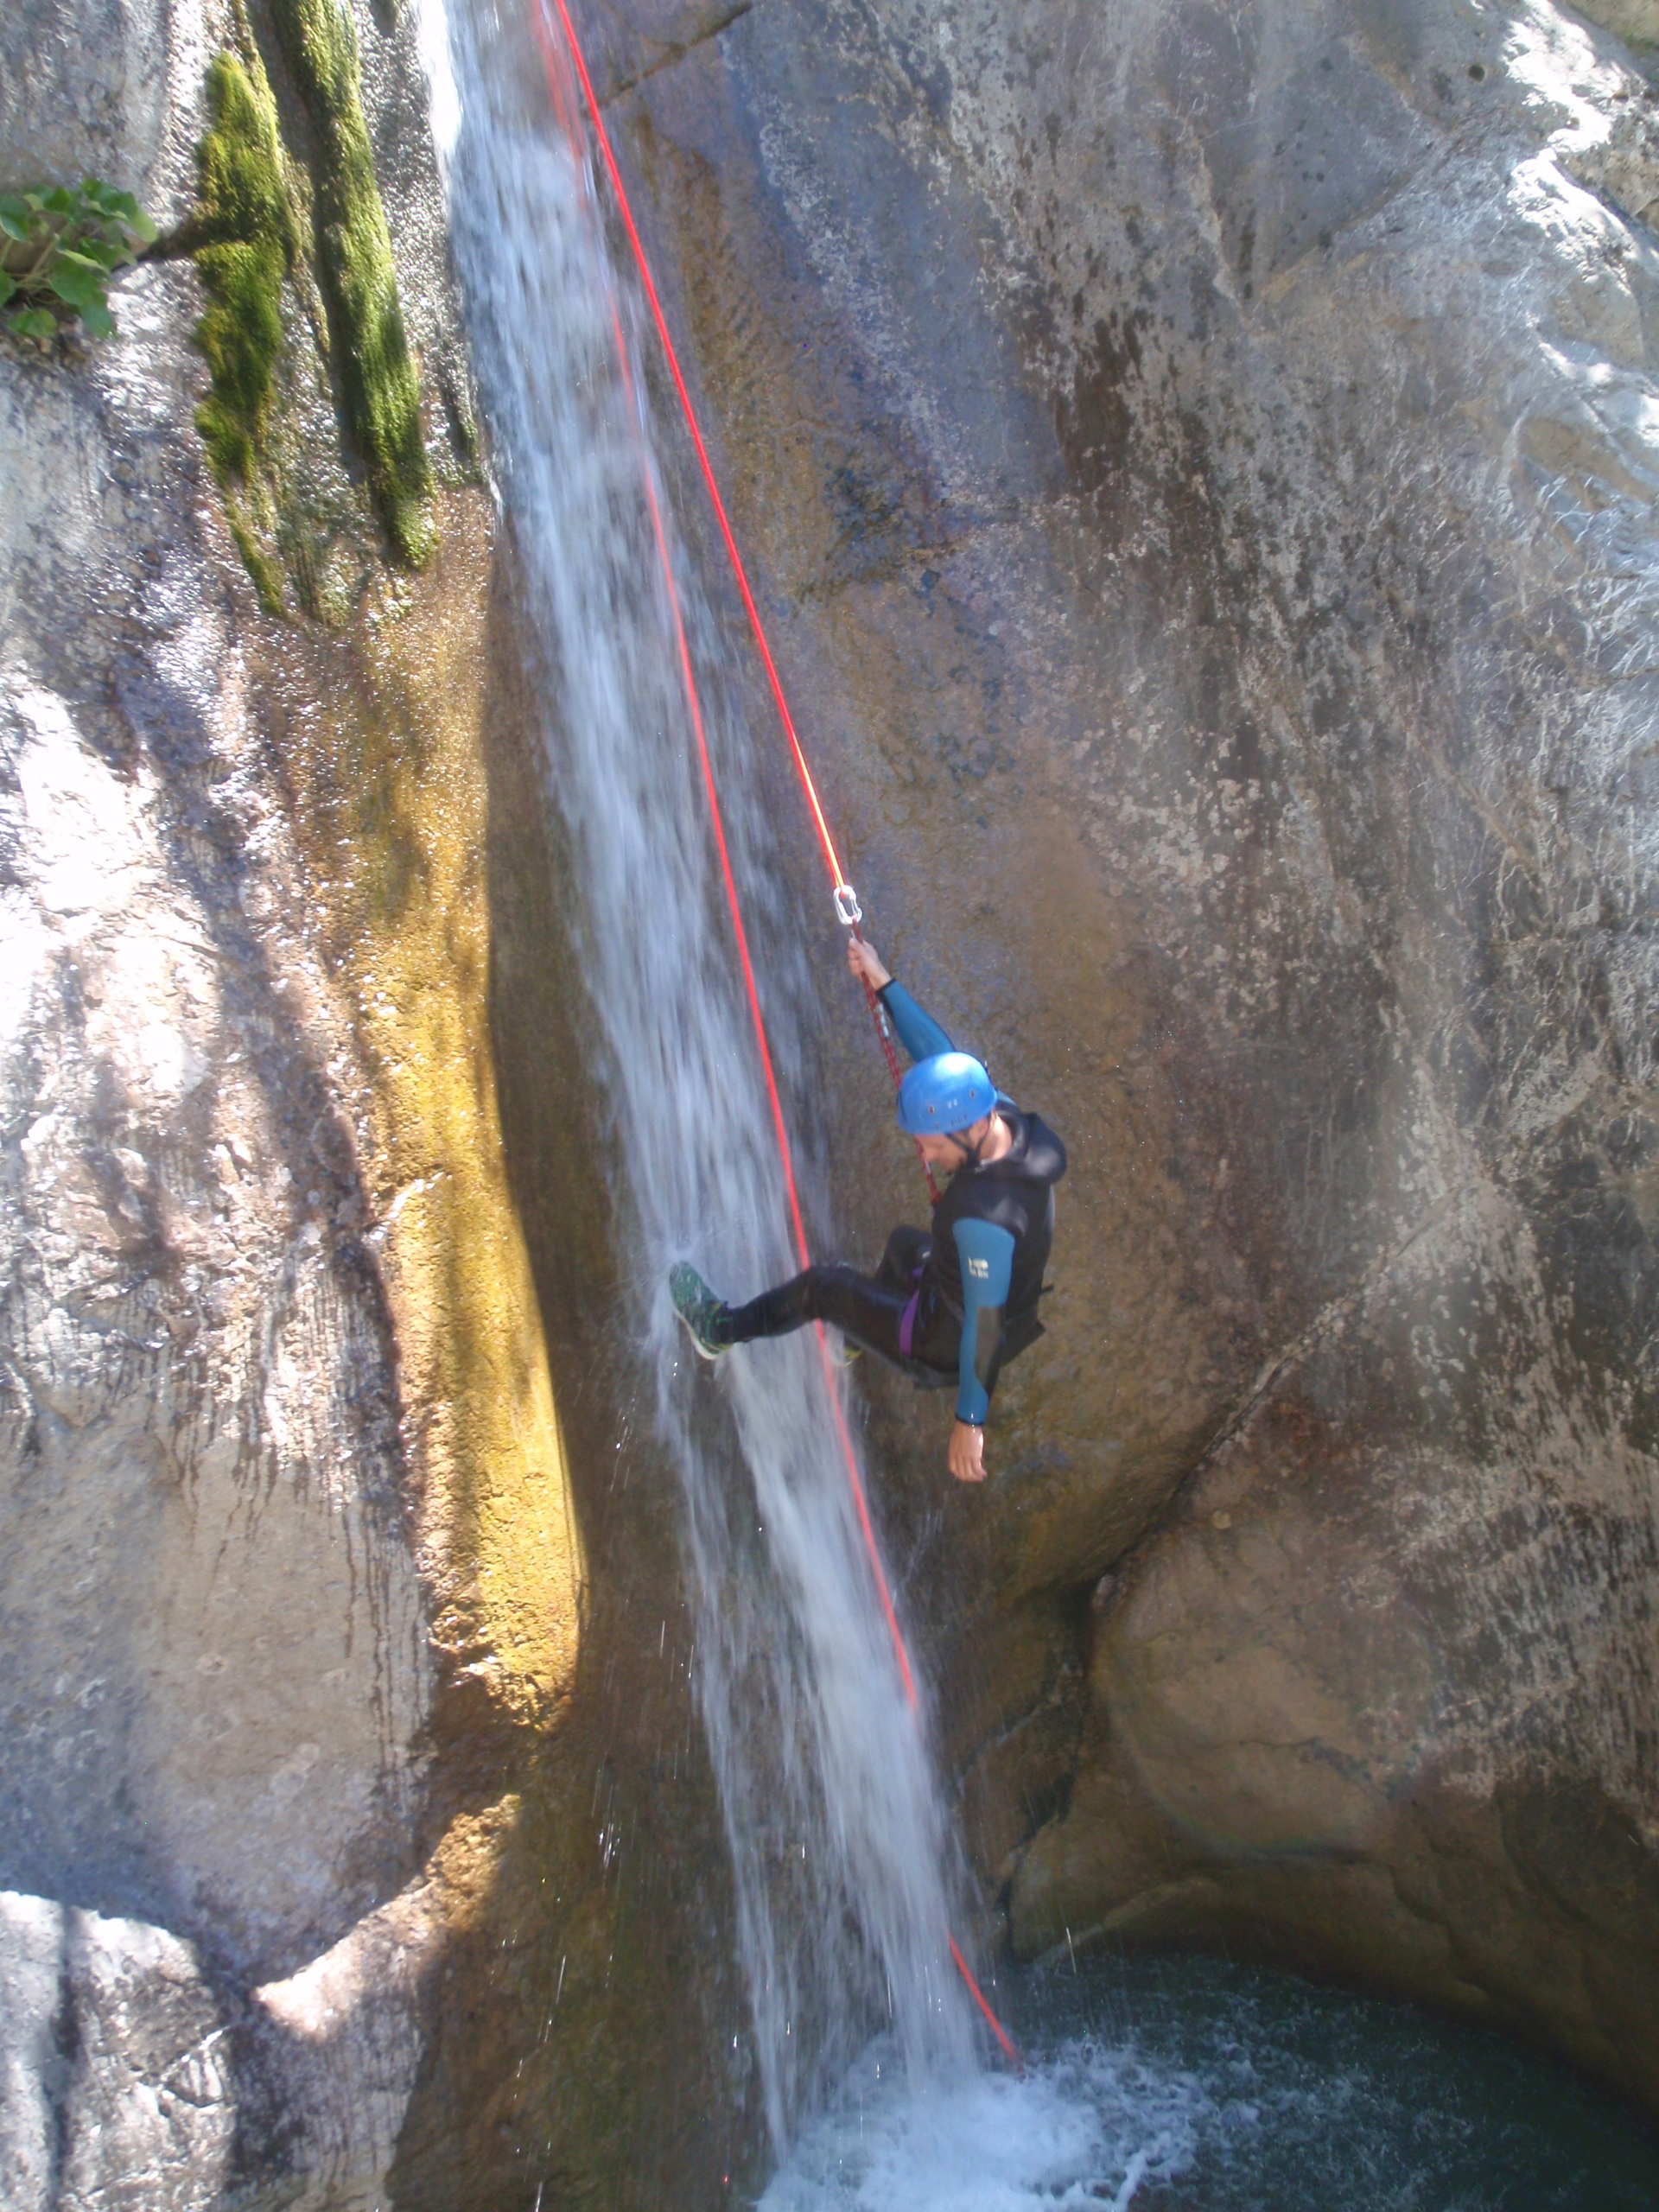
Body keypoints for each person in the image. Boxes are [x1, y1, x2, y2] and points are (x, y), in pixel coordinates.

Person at [670, 938, 1065, 1483]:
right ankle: (856, 1338)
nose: (923, 1153)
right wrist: (882, 980)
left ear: (969, 1130)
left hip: (943, 1339)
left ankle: (720, 1330)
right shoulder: (1002, 1117)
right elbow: (937, 1051)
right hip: (978, 1299)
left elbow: (986, 1324)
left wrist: (969, 1422)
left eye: (931, 1142)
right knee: (906, 1245)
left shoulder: (983, 1220)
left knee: (824, 1287)